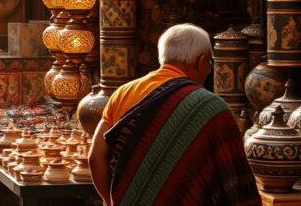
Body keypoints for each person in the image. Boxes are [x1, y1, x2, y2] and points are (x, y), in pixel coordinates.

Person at [87, 24, 261, 206]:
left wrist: (109, 201)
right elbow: (234, 177)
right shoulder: (211, 107)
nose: (209, 71)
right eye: (210, 64)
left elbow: (95, 157)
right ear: (201, 61)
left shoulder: (123, 93)